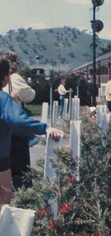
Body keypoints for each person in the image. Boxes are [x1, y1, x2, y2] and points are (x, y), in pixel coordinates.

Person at [0, 60, 64, 205]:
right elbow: (18, 120)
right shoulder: (3, 99)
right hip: (1, 161)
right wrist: (45, 128)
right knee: (5, 199)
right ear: (5, 78)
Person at [1, 52, 36, 189]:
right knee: (20, 167)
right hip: (15, 128)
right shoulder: (15, 77)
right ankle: (20, 194)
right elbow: (30, 96)